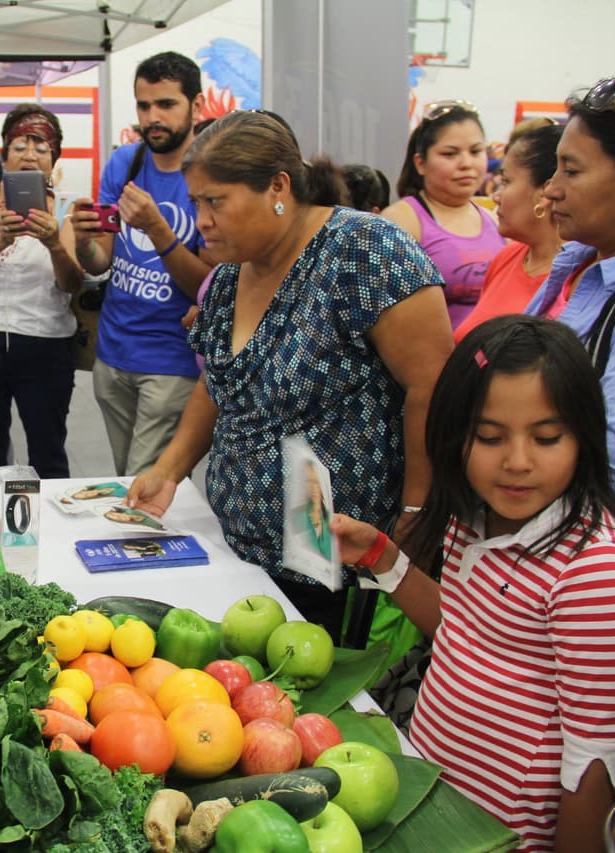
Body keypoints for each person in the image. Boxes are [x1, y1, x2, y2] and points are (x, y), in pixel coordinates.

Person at [125, 111, 452, 639]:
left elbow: (432, 386)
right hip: (243, 554)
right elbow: (222, 382)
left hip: (339, 567)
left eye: (215, 202)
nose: (202, 220)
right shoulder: (234, 272)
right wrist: (169, 468)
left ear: (278, 186)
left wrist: (418, 509)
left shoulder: (365, 252)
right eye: (195, 204)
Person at [334, 315, 615, 853]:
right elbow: (460, 627)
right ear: (456, 434)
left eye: (547, 437)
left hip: (503, 833)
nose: (518, 462)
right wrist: (380, 555)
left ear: (585, 435)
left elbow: (592, 768)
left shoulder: (597, 577)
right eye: (489, 437)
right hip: (432, 794)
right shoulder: (471, 515)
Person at [526, 73, 615, 690]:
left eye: (572, 171)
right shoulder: (583, 264)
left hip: (579, 590)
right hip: (531, 564)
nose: (550, 190)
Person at [72, 51, 215, 478]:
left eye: (166, 104)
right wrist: (81, 242)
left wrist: (158, 229)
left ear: (197, 105)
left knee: (146, 489)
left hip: (173, 362)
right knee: (127, 482)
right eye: (144, 105)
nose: (153, 116)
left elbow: (209, 286)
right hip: (113, 355)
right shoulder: (125, 162)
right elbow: (102, 262)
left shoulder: (210, 173)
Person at [0, 104, 83, 480]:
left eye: (41, 148)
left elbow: (72, 284)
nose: (29, 155)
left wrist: (54, 244)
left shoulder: (66, 209)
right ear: (4, 152)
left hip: (44, 345)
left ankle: (53, 535)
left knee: (47, 455)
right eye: (19, 146)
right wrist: (0, 241)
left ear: (53, 158)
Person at [383, 100, 506, 329]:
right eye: (450, 154)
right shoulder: (401, 221)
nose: (466, 163)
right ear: (420, 163)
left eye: (476, 151)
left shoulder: (494, 220)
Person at [454, 123, 564, 342]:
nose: (496, 196)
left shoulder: (576, 276)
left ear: (544, 192)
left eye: (506, 182)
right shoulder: (508, 257)